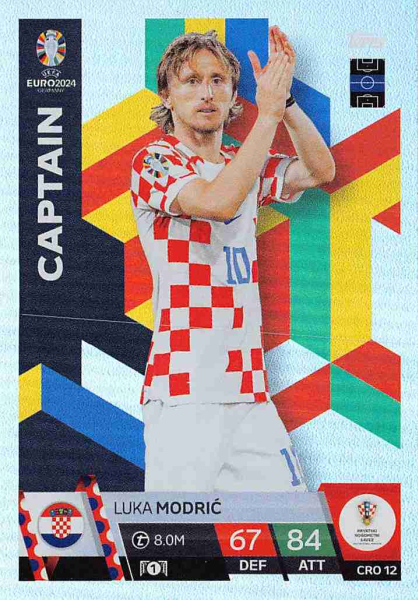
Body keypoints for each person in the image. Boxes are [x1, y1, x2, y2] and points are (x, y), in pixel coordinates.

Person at [130, 25, 335, 492]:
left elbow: (319, 170)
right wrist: (267, 117)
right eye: (191, 81)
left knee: (295, 525)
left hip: (248, 391)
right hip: (184, 392)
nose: (207, 92)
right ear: (167, 95)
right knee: (175, 534)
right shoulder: (155, 160)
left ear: (231, 94)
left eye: (218, 80)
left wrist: (285, 105)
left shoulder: (239, 160)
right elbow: (218, 202)